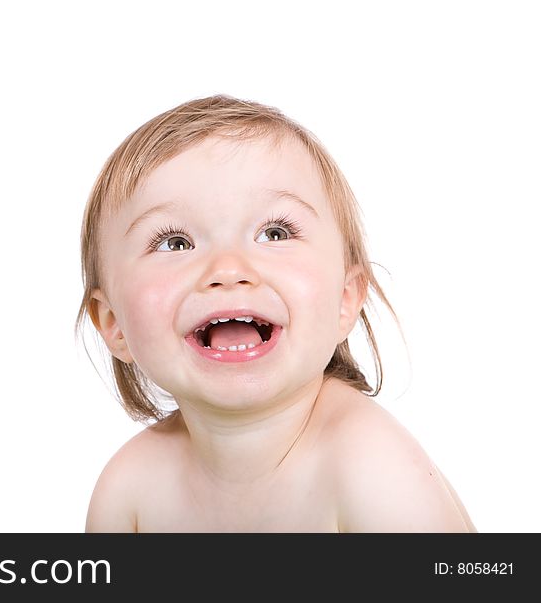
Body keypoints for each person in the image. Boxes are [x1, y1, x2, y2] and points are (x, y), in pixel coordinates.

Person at [76, 95, 476, 532]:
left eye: (274, 232)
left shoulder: (372, 470)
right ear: (113, 324)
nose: (228, 270)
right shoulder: (130, 490)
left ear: (346, 298)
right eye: (175, 242)